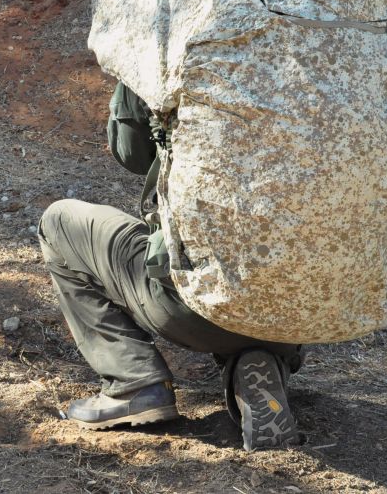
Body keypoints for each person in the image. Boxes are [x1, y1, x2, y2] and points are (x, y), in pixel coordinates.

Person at [38, 80, 304, 452]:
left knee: (58, 220)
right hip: (301, 313)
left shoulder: (180, 45)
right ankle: (261, 359)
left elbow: (130, 151)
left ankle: (134, 382)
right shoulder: (330, 49)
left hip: (193, 306)